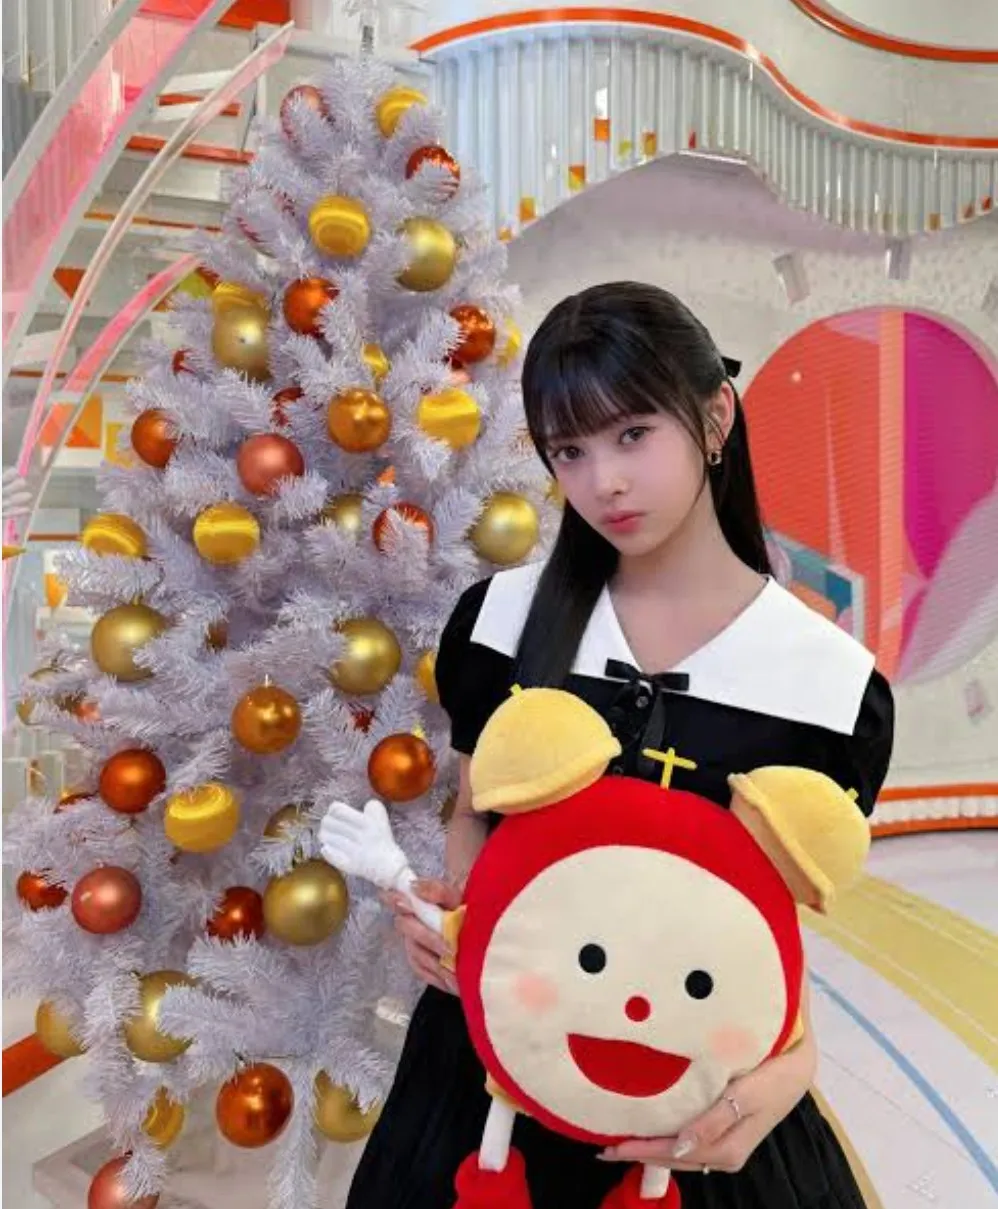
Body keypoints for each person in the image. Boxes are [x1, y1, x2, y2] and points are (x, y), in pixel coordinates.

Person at [346, 282, 893, 1209]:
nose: (603, 481)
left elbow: (770, 919)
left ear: (715, 418)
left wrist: (791, 1068)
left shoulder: (831, 688)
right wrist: (450, 925)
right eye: (570, 450)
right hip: (492, 1088)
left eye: (633, 434)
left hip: (690, 1103)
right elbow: (474, 819)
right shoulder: (502, 622)